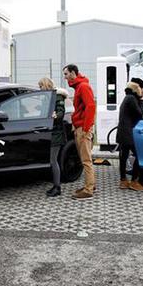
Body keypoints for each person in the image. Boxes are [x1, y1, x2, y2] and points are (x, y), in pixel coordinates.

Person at [63, 64, 96, 200]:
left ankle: (88, 190)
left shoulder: (83, 87)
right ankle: (90, 185)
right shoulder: (79, 86)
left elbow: (91, 106)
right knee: (85, 158)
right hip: (80, 127)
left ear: (73, 73)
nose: (65, 77)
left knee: (86, 159)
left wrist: (86, 128)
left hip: (83, 128)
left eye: (66, 74)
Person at [38, 77, 69, 197]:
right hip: (49, 132)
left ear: (46, 85)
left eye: (41, 86)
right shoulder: (47, 98)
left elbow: (60, 112)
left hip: (56, 133)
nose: (40, 88)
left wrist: (55, 116)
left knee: (53, 160)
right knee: (51, 160)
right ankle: (55, 185)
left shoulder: (57, 96)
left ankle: (57, 187)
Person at [116, 81, 143, 191]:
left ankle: (123, 181)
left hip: (123, 131)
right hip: (129, 133)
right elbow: (140, 113)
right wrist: (142, 101)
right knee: (139, 156)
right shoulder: (132, 99)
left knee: (124, 156)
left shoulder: (127, 97)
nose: (141, 91)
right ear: (136, 89)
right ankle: (134, 181)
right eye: (140, 89)